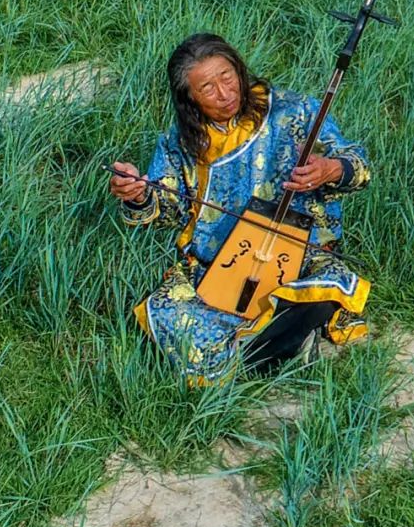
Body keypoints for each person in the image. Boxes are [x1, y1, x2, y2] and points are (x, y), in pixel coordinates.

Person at [109, 33, 370, 384]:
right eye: (207, 88)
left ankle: (258, 351)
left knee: (328, 284)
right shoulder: (181, 143)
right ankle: (280, 346)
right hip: (217, 264)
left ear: (239, 70)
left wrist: (331, 169)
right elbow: (167, 209)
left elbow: (356, 164)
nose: (225, 94)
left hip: (298, 254)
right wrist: (137, 194)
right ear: (189, 98)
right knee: (166, 310)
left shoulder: (295, 111)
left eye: (227, 78)